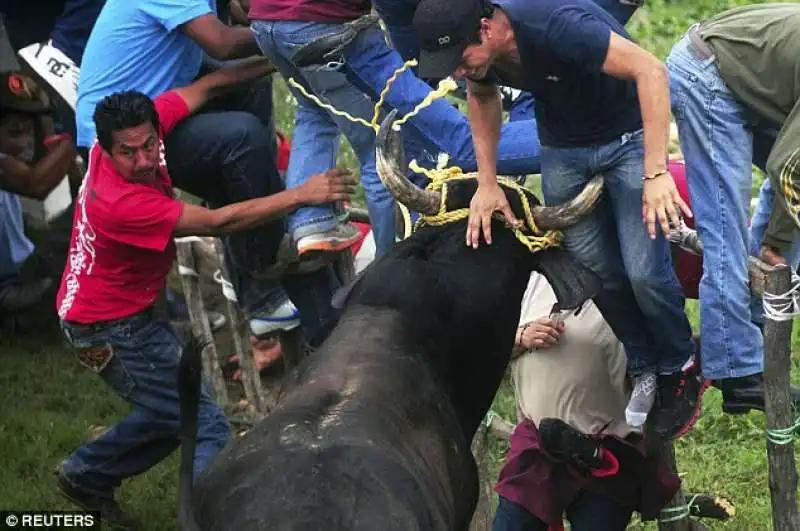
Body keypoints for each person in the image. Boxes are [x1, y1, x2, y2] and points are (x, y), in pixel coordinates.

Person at [53, 62, 356, 528]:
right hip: (108, 329)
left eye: (149, 145)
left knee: (169, 412)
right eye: (127, 153)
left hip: (119, 313)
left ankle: (86, 473)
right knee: (205, 424)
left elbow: (209, 85)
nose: (143, 159)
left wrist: (278, 57)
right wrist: (301, 195)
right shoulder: (118, 202)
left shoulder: (136, 127)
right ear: (106, 151)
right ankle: (210, 520)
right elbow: (219, 223)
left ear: (156, 129)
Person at [412, 0, 702, 438]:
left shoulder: (556, 25)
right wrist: (487, 184)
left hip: (626, 137)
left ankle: (680, 363)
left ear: (487, 29)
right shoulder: (481, 60)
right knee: (593, 270)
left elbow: (651, 70)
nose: (456, 72)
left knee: (645, 272)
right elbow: (483, 96)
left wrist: (657, 171)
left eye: (459, 59)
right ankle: (644, 364)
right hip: (564, 149)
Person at [74, 0, 343, 347]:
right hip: (126, 134)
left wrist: (278, 58)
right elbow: (223, 43)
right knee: (241, 137)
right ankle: (260, 273)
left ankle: (247, 239)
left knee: (250, 86)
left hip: (158, 102)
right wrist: (298, 30)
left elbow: (218, 69)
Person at [666, 3, 800, 413]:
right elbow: (788, 169)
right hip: (706, 73)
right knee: (725, 229)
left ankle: (755, 325)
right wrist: (777, 243)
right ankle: (738, 371)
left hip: (747, 73)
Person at [493, 272, 680, 531]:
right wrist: (521, 336)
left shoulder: (628, 284)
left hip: (605, 456)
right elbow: (489, 350)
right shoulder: (532, 277)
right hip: (537, 448)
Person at [0, 71, 79, 311]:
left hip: (23, 274)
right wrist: (80, 134)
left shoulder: (10, 161)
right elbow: (37, 185)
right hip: (9, 290)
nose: (23, 143)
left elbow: (40, 167)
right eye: (15, 133)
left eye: (27, 131)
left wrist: (42, 116)